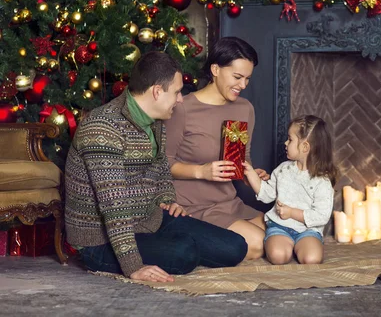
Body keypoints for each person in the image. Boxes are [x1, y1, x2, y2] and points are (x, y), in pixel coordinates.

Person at [64, 51, 248, 282]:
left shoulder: (157, 120)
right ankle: (167, 249)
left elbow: (161, 166)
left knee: (235, 247)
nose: (181, 99)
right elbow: (114, 207)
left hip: (149, 219)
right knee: (184, 253)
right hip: (100, 240)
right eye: (177, 92)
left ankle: (171, 245)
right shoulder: (103, 128)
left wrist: (167, 198)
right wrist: (133, 267)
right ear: (157, 91)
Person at [164, 37, 268, 260]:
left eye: (248, 79)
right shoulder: (183, 109)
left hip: (230, 203)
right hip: (194, 206)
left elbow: (243, 159)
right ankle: (192, 239)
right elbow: (164, 163)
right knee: (258, 245)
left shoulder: (245, 108)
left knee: (278, 236)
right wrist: (201, 171)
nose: (244, 85)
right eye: (238, 77)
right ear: (215, 69)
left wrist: (251, 175)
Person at [243, 115, 337, 265]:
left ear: (305, 147)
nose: (285, 143)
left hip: (308, 231)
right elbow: (267, 194)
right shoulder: (283, 170)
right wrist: (250, 173)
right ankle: (286, 245)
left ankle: (301, 245)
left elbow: (321, 216)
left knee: (311, 259)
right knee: (278, 256)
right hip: (280, 227)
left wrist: (292, 213)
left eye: (290, 139)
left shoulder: (322, 181)